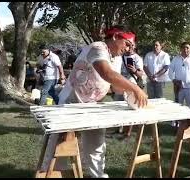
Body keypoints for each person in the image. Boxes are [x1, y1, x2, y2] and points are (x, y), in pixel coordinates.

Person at [39, 26, 148, 178]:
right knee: (59, 145)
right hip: (71, 103)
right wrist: (135, 89)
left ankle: (97, 175)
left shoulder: (116, 58)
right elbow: (106, 72)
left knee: (97, 143)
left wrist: (130, 90)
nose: (128, 49)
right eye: (127, 44)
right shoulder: (98, 47)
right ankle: (49, 174)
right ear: (116, 36)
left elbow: (115, 86)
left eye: (132, 47)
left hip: (92, 105)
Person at [169, 42, 190, 109]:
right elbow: (170, 70)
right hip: (179, 87)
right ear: (181, 49)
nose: (185, 49)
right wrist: (174, 80)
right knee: (177, 107)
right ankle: (178, 120)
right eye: (184, 47)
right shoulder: (175, 59)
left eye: (187, 48)